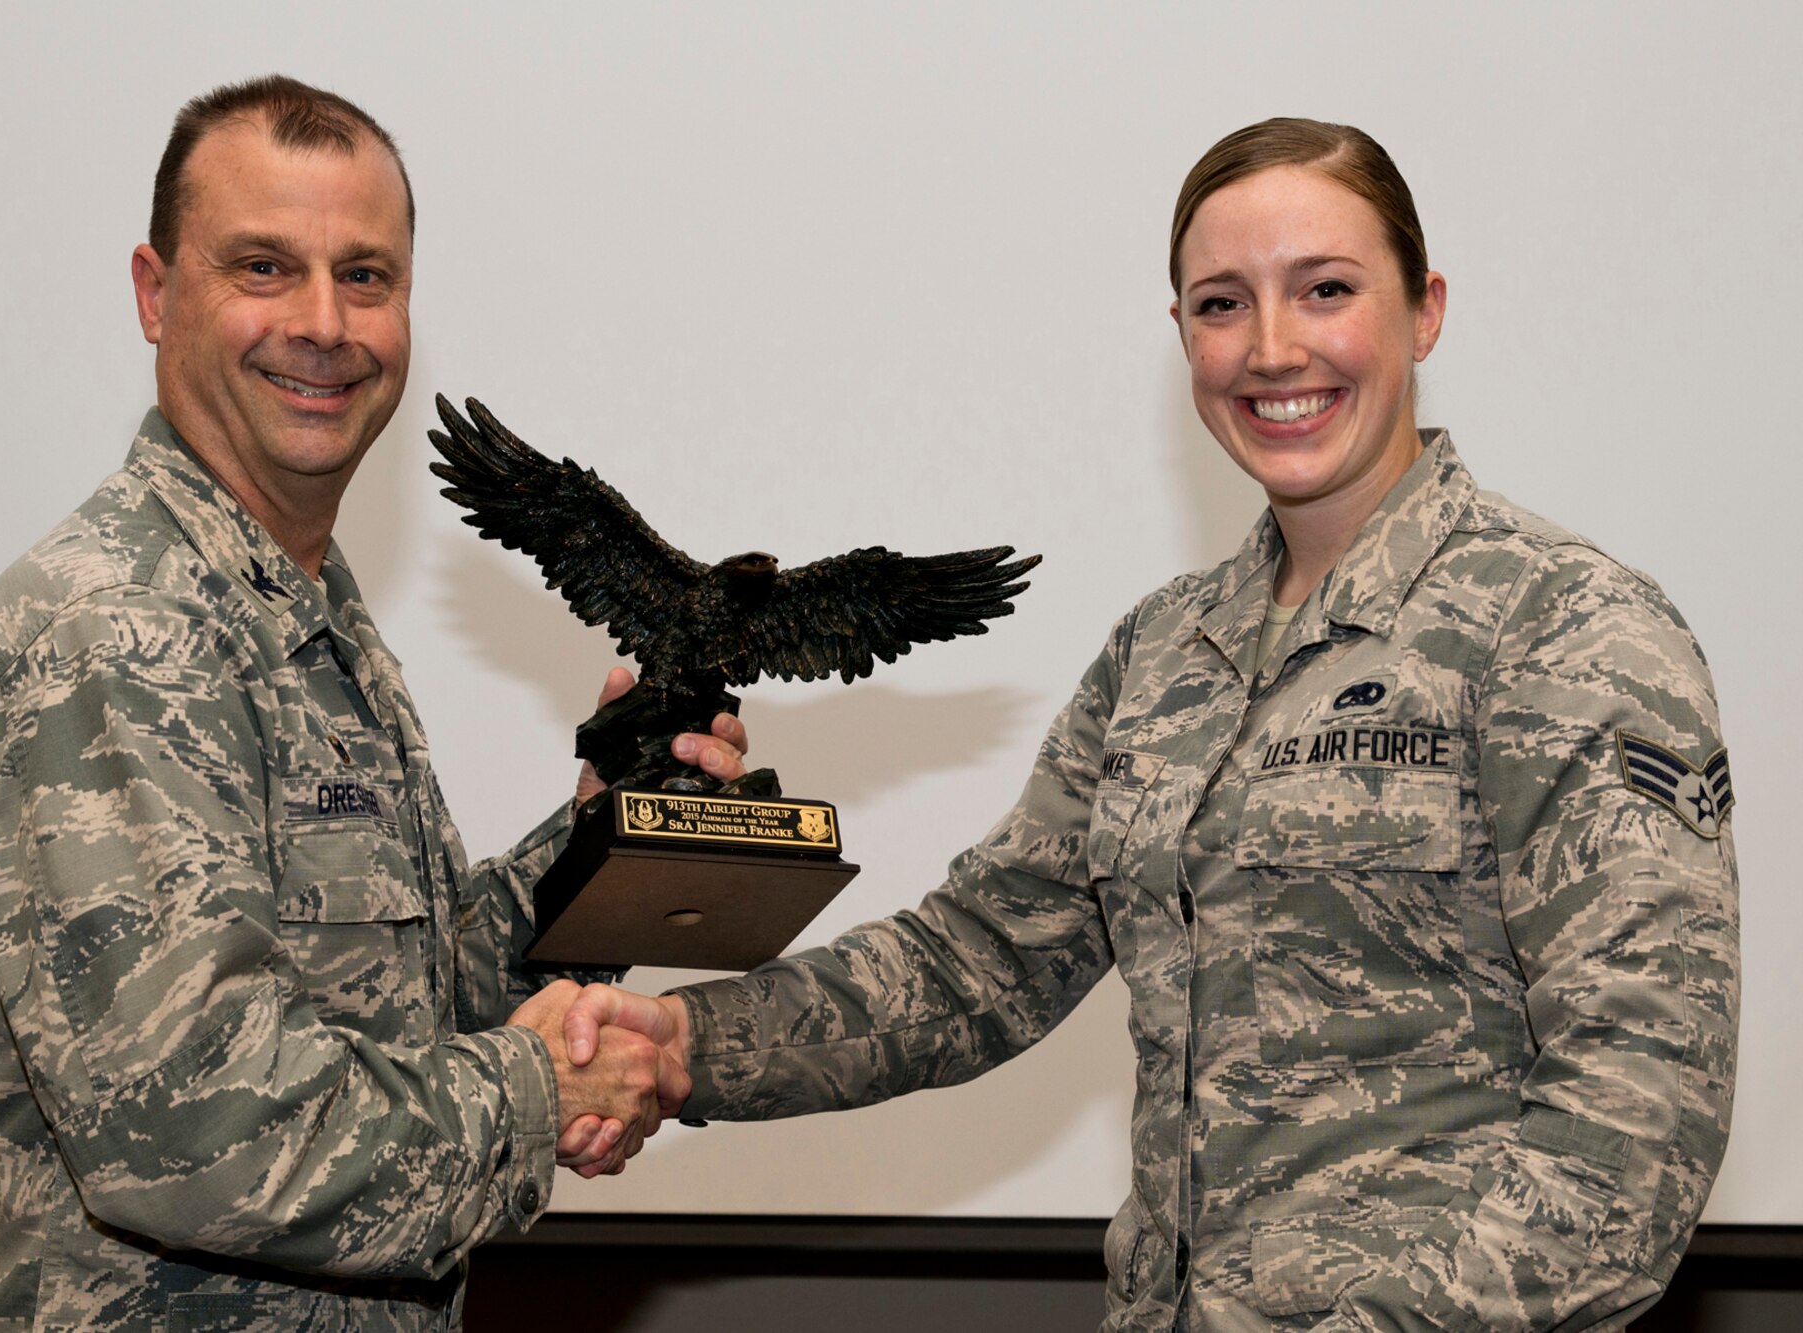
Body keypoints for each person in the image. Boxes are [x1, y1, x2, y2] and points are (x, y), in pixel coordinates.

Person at [563, 118, 1741, 1330]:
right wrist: (673, 1045)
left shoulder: (1563, 627)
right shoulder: (1159, 653)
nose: (1271, 350)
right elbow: (978, 961)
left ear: (1422, 309)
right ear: (1179, 331)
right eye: (1221, 305)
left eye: (1324, 290)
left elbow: (1636, 1118)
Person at [0, 75, 749, 1329]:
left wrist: (606, 839)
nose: (325, 323)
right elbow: (200, 1133)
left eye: (367, 276)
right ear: (155, 293)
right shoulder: (112, 628)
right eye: (264, 268)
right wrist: (542, 1089)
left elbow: (406, 1001)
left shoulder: (310, 614)